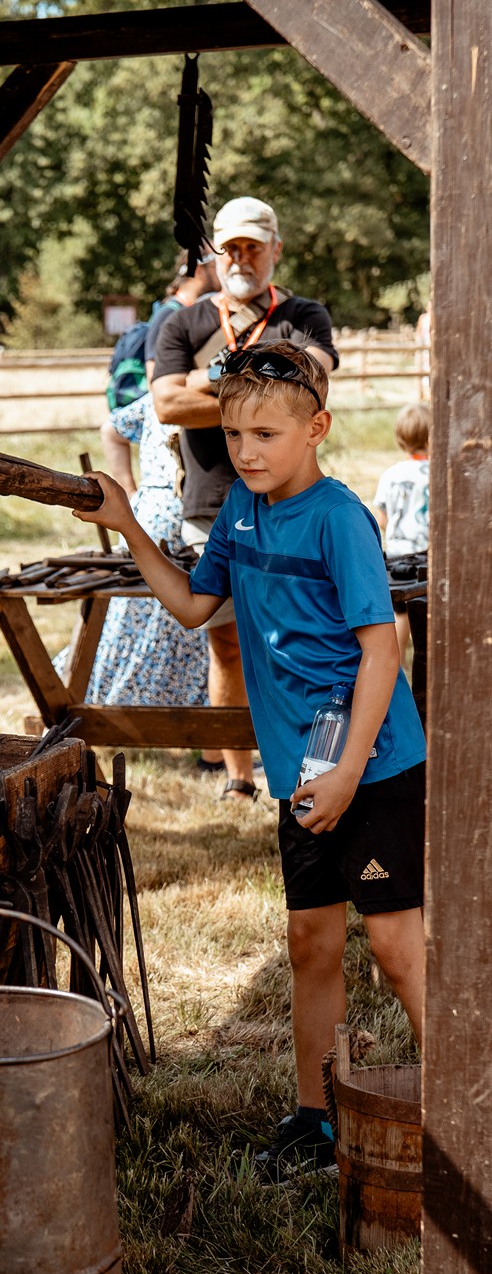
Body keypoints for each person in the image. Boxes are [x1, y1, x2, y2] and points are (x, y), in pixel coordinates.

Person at [73, 341, 426, 1181]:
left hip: (372, 766)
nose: (247, 452)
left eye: (266, 434)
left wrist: (347, 774)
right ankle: (317, 1118)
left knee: (394, 947)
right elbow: (194, 605)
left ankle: (471, 1099)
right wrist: (127, 526)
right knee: (310, 942)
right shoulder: (239, 510)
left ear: (317, 429)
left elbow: (382, 651)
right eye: (233, 435)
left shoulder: (340, 518)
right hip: (303, 769)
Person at [149, 198, 338, 802]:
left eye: (253, 246)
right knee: (229, 644)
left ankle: (311, 766)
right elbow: (166, 405)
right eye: (230, 247)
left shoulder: (303, 313)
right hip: (211, 502)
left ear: (275, 249)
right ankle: (238, 776)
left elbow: (313, 381)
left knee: (299, 634)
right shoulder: (183, 323)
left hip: (296, 500)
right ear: (216, 254)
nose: (241, 257)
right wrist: (265, 391)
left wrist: (209, 379)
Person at [82, 392, 209, 708]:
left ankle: (192, 708)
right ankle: (133, 704)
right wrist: (129, 490)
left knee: (194, 622)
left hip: (199, 514)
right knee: (142, 619)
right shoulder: (164, 397)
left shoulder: (212, 393)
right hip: (156, 517)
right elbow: (113, 429)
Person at [100, 248, 219, 496]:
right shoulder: (170, 316)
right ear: (199, 269)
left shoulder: (190, 312)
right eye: (217, 262)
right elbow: (156, 378)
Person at [373, 401, 430, 658]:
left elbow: (382, 519)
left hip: (396, 558)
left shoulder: (391, 474)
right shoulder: (437, 473)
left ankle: (392, 662)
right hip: (426, 556)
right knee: (429, 608)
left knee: (400, 612)